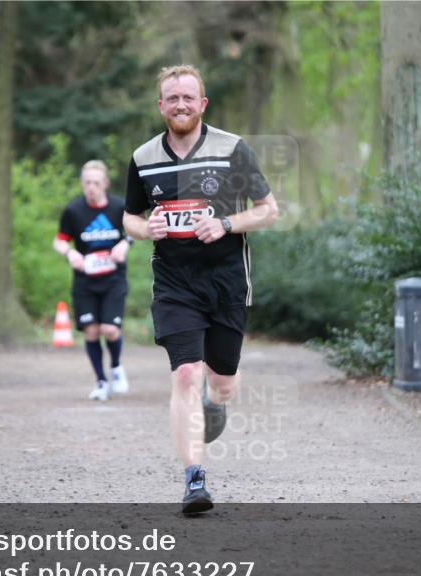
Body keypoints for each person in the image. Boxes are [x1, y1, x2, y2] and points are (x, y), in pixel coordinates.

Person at [123, 64, 278, 513]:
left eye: (188, 97)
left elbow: (268, 210)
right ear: (161, 106)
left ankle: (216, 399)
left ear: (202, 103)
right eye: (172, 98)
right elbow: (130, 216)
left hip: (227, 281)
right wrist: (146, 228)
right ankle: (194, 479)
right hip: (175, 284)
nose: (181, 105)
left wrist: (226, 223)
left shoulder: (232, 149)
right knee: (186, 373)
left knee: (221, 382)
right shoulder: (144, 157)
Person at [53, 160, 132, 401]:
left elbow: (136, 229)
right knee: (91, 330)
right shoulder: (73, 211)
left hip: (113, 279)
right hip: (85, 282)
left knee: (110, 329)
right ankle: (100, 381)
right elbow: (59, 241)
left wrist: (124, 244)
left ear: (105, 183)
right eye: (87, 182)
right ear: (82, 183)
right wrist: (70, 253)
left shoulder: (119, 207)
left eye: (96, 183)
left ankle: (116, 366)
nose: (91, 187)